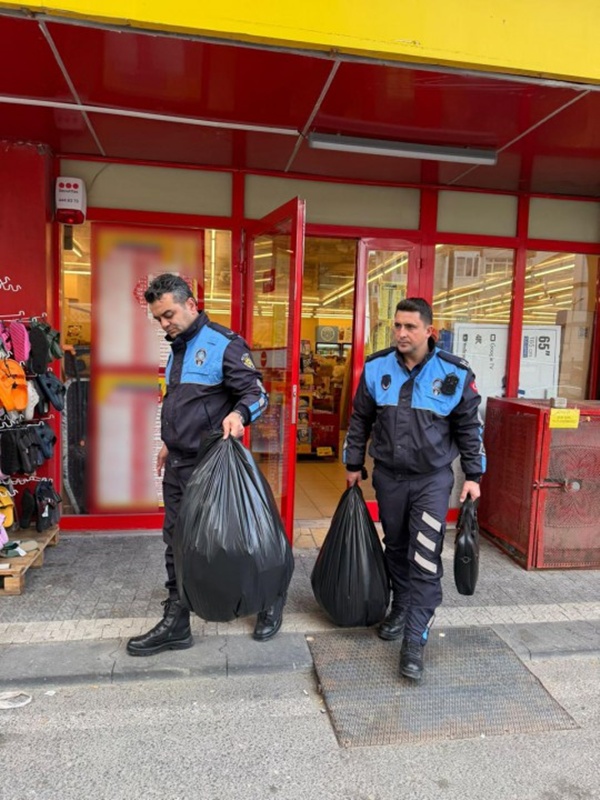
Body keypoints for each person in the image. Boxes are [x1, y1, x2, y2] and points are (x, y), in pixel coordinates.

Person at [127, 273, 282, 657]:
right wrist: (169, 442)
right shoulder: (178, 348)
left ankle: (269, 600)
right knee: (176, 542)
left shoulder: (224, 344)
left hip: (213, 467)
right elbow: (188, 404)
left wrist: (240, 415)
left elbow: (257, 393)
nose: (164, 324)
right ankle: (177, 623)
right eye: (158, 319)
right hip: (180, 465)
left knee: (238, 542)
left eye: (168, 314)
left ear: (191, 304)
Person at [344, 297, 485, 681]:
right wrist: (353, 464)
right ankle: (401, 605)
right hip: (389, 477)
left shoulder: (453, 372)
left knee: (424, 556)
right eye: (397, 326)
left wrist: (473, 475)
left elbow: (469, 427)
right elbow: (359, 419)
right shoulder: (376, 368)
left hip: (431, 480)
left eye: (410, 327)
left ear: (429, 331)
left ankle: (414, 640)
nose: (402, 333)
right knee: (396, 546)